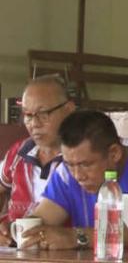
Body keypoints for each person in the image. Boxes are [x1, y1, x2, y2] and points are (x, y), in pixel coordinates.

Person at [19, 110, 128, 250]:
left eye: (86, 164)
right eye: (70, 164)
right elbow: (40, 220)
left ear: (114, 153)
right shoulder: (66, 173)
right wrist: (16, 230)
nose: (77, 175)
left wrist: (78, 237)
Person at [0, 75, 76, 245]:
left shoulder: (81, 160)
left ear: (69, 109)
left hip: (62, 251)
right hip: (14, 250)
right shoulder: (18, 153)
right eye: (27, 114)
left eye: (43, 114)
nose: (34, 123)